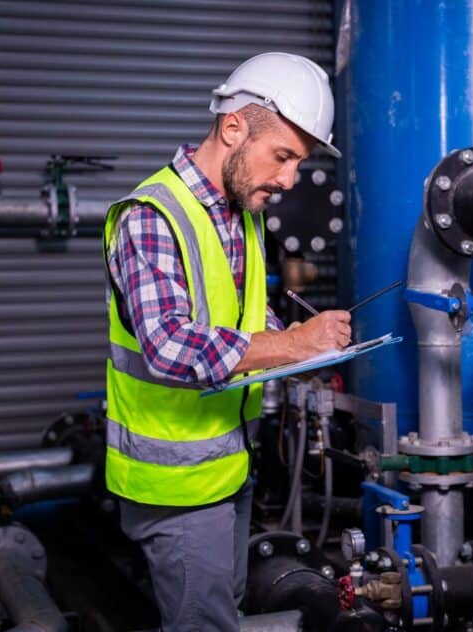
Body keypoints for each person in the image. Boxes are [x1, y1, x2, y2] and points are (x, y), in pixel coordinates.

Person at [102, 52, 349, 631]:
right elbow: (170, 346)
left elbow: (240, 319)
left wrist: (296, 341)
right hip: (177, 485)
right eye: (283, 156)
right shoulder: (152, 215)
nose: (290, 180)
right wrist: (293, 346)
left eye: (299, 162)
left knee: (223, 616)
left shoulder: (243, 212)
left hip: (229, 466)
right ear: (233, 127)